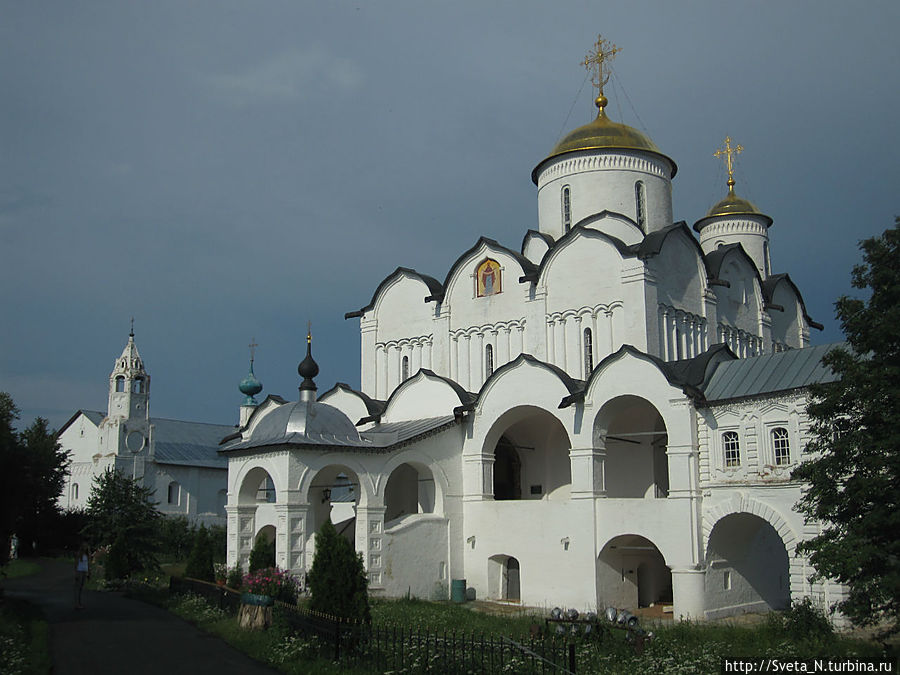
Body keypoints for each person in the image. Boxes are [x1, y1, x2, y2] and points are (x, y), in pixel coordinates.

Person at [74, 542, 90, 609]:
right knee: (78, 587)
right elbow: (76, 563)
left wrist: (89, 572)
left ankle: (79, 602)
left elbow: (88, 564)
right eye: (84, 546)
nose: (85, 548)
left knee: (81, 587)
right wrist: (76, 573)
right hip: (80, 571)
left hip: (84, 571)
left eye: (86, 547)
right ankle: (77, 603)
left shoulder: (87, 555)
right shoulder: (79, 554)